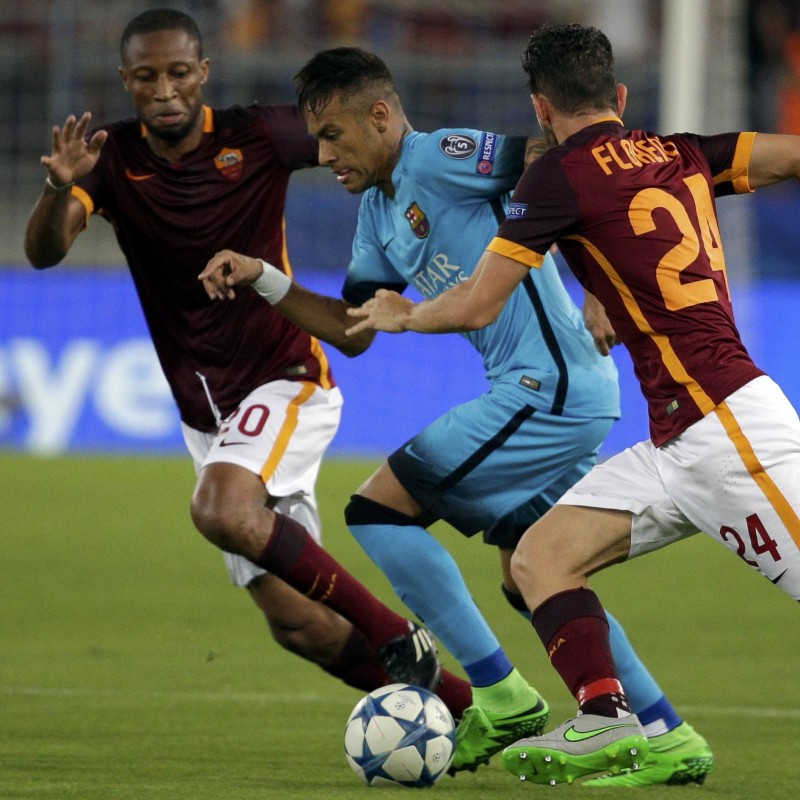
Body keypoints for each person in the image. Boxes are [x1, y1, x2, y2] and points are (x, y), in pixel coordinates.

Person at [199, 46, 713, 784]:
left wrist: (601, 273)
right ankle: (667, 730)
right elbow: (353, 328)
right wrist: (264, 278)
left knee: (378, 513)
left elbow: (560, 157)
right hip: (545, 388)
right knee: (535, 569)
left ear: (381, 114)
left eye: (334, 134)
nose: (322, 154)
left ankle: (502, 698)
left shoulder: (439, 156)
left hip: (549, 384)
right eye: (315, 140)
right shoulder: (378, 215)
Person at [345, 22, 800, 786]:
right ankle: (605, 718)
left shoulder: (556, 176)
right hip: (676, 443)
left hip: (727, 431)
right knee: (539, 557)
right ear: (619, 97)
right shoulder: (685, 152)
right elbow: (787, 154)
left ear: (541, 109)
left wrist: (402, 314)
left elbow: (476, 306)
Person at [22, 8, 475, 721]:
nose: (165, 89)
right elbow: (45, 253)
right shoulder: (108, 161)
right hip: (206, 412)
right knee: (300, 623)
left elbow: (362, 138)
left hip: (283, 377)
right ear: (127, 82)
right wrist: (57, 189)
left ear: (203, 72)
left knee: (222, 509)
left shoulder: (256, 135)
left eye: (178, 72)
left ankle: (397, 637)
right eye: (147, 77)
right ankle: (465, 707)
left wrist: (414, 209)